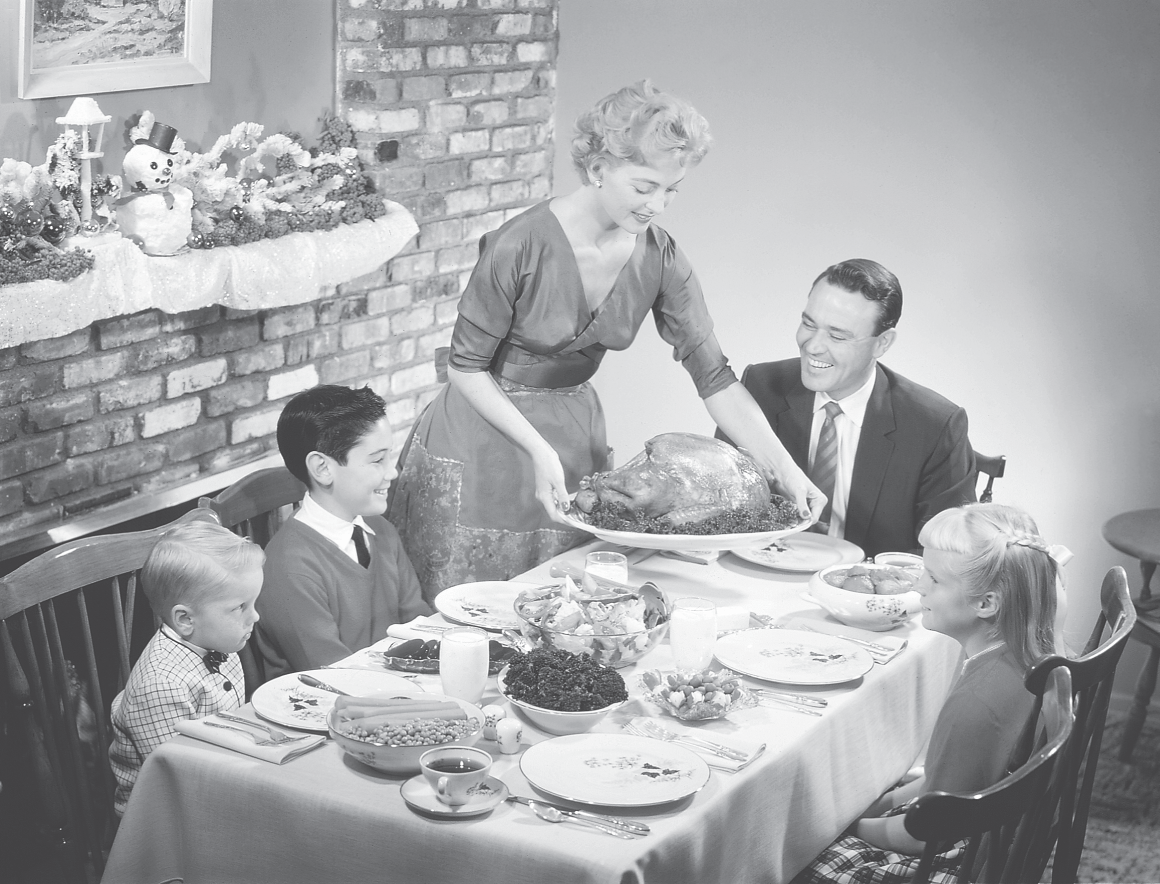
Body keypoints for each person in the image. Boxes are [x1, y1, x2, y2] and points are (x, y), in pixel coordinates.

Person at [388, 80, 822, 598]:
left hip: (572, 435)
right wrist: (537, 449)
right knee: (474, 610)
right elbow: (464, 366)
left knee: (567, 609)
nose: (658, 205)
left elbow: (715, 379)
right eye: (644, 187)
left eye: (671, 190)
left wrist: (786, 470)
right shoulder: (520, 243)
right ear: (597, 170)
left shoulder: (659, 256)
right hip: (484, 434)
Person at [796, 502, 1068, 884]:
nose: (918, 585)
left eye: (934, 579)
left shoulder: (978, 703)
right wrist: (873, 807)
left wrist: (849, 829)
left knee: (794, 858)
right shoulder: (1020, 659)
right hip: (984, 830)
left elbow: (925, 834)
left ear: (987, 604)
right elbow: (945, 782)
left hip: (959, 862)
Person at [720, 258, 976, 556]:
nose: (812, 346)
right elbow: (721, 497)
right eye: (808, 324)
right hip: (759, 576)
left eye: (837, 336)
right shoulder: (760, 387)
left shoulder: (934, 425)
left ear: (882, 344)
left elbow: (949, 553)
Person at [254, 384, 431, 679]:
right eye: (377, 460)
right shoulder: (288, 567)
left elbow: (418, 624)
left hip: (395, 688)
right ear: (322, 468)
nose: (392, 473)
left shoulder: (380, 530)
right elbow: (332, 673)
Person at [109, 520, 264, 816]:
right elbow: (179, 780)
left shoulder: (216, 641)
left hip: (221, 775)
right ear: (185, 620)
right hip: (163, 817)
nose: (255, 616)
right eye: (240, 607)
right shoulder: (161, 685)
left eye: (254, 603)